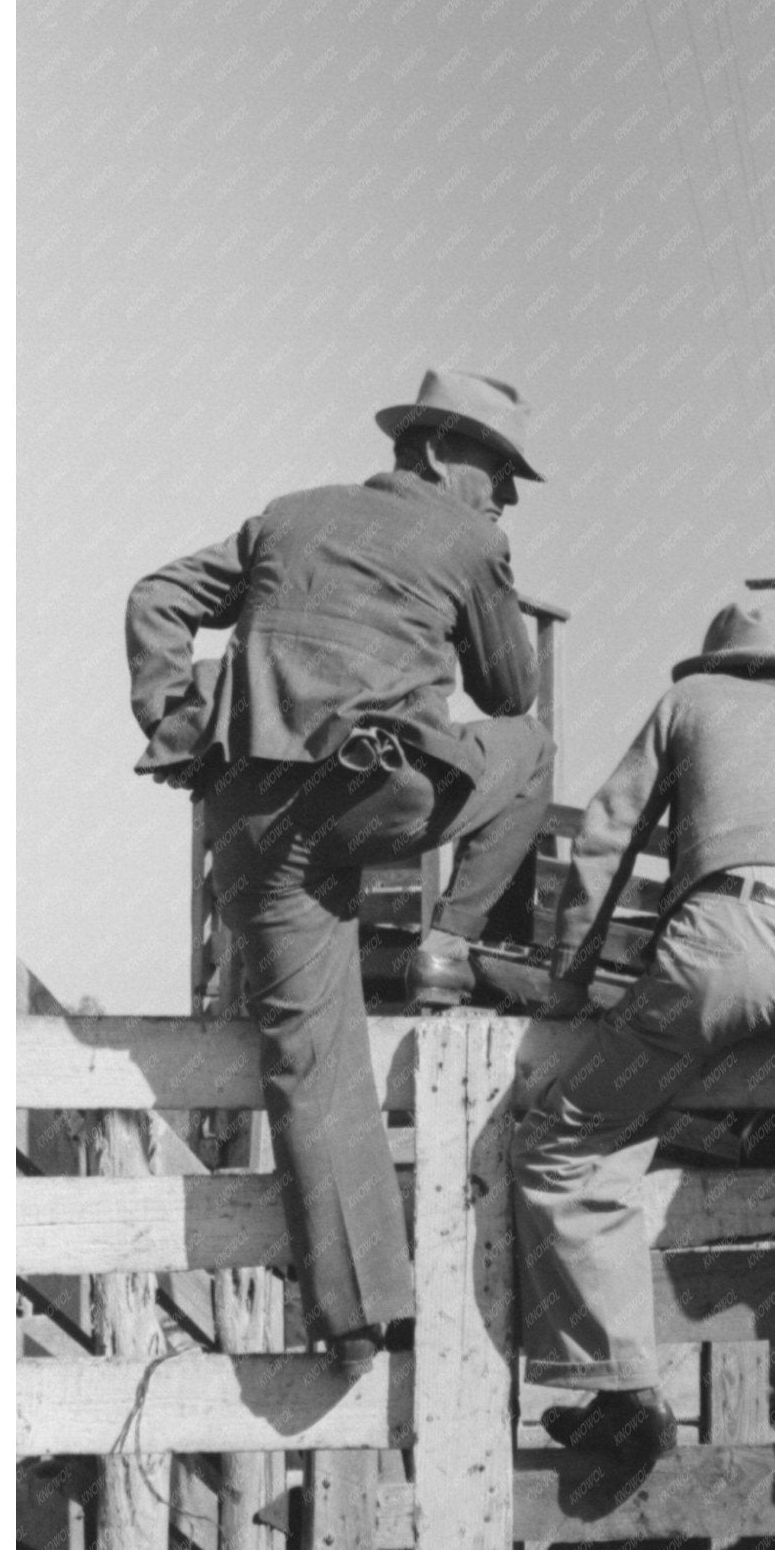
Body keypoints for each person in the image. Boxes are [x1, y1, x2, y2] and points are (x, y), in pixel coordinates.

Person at [125, 367, 555, 1373]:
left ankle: (357, 1318)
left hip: (255, 815)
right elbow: (507, 686)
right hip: (375, 792)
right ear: (443, 452)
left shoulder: (286, 515)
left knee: (312, 1053)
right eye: (499, 468)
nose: (508, 495)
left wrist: (180, 723)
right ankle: (452, 938)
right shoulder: (470, 537)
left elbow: (155, 596)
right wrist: (486, 574)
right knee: (528, 745)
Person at [514, 605, 775, 1468]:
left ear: (720, 662)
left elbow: (606, 840)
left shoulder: (689, 702)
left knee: (565, 1142)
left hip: (730, 947)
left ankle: (616, 1389)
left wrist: (569, 982)